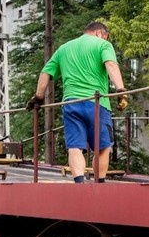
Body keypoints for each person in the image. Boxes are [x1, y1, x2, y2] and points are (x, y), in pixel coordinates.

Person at [27, 21, 128, 183]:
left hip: (71, 102)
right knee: (102, 148)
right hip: (97, 103)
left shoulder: (64, 48)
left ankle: (80, 184)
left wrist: (38, 97)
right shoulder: (103, 45)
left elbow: (45, 72)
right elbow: (110, 64)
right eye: (105, 37)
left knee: (75, 147)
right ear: (99, 33)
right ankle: (99, 185)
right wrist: (121, 91)